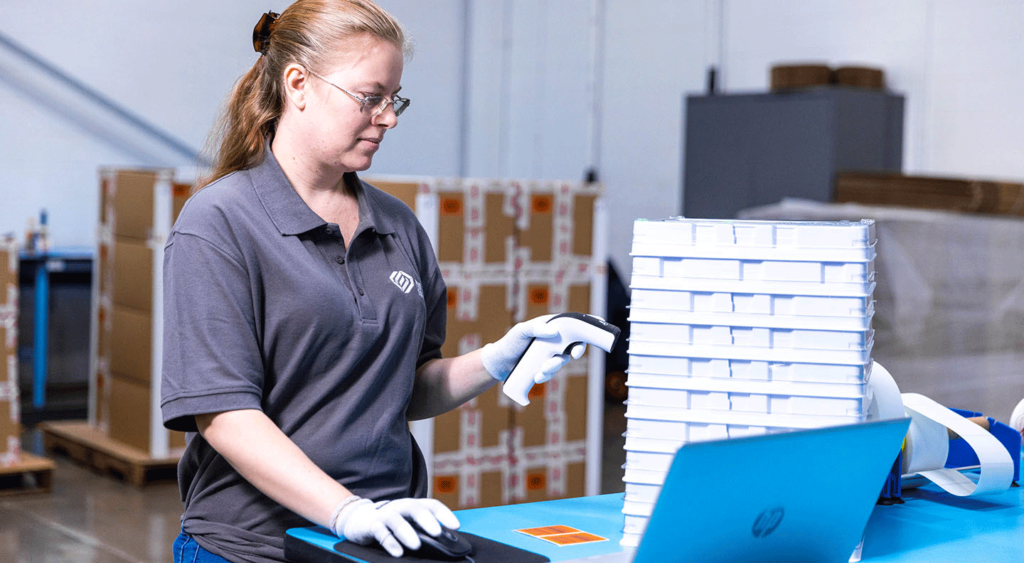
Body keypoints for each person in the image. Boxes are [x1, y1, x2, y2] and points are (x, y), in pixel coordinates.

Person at [160, 2, 582, 562]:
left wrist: (495, 360)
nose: (389, 117)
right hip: (256, 549)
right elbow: (226, 416)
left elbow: (404, 388)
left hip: (381, 542)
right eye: (371, 97)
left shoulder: (397, 224)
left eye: (394, 99)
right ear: (298, 85)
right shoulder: (219, 224)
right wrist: (347, 510)